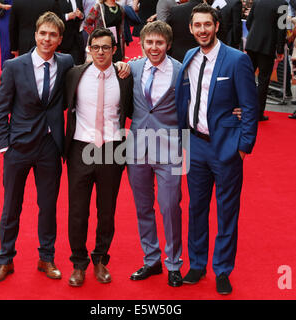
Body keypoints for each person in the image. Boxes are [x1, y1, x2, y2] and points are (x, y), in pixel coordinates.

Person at [175, 3, 258, 295]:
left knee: (227, 212)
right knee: (196, 209)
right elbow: (184, 96)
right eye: (197, 25)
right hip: (196, 146)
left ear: (217, 26)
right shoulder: (188, 57)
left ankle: (222, 269)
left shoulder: (237, 60)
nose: (202, 30)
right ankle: (197, 265)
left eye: (207, 25)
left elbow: (250, 106)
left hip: (226, 149)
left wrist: (243, 147)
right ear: (191, 28)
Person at [0, 12, 74, 283]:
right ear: (35, 34)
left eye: (53, 35)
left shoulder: (66, 63)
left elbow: (90, 69)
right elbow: (1, 108)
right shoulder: (14, 66)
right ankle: (5, 259)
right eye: (43, 33)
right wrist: (4, 146)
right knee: (11, 206)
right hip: (18, 147)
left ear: (60, 39)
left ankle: (46, 258)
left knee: (48, 206)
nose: (47, 39)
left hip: (50, 147)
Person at [63, 27, 133, 287]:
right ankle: (78, 263)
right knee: (78, 211)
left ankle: (101, 259)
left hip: (113, 149)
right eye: (96, 47)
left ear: (114, 50)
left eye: (106, 47)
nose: (100, 52)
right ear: (88, 50)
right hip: (81, 148)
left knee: (107, 211)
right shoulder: (74, 75)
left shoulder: (126, 76)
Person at [126, 21, 183, 288]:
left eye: (159, 42)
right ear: (142, 44)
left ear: (168, 45)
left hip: (170, 148)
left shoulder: (181, 71)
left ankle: (174, 263)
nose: (154, 47)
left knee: (170, 206)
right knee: (143, 207)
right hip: (137, 148)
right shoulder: (133, 67)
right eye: (149, 42)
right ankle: (151, 259)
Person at [245, 0, 286, 122]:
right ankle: (258, 113)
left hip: (252, 43)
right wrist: (280, 50)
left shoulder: (258, 1)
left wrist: (254, 34)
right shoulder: (282, 4)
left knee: (247, 78)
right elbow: (281, 28)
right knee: (263, 80)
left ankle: (243, 109)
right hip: (267, 47)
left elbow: (248, 22)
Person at [58, 0, 85, 65]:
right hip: (63, 40)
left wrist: (81, 16)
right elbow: (53, 16)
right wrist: (67, 16)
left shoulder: (78, 0)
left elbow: (82, 14)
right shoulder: (56, 1)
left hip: (77, 39)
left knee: (78, 65)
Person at [0, 0, 13, 69]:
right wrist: (3, 6)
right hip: (6, 17)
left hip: (19, 17)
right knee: (6, 46)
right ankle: (6, 69)